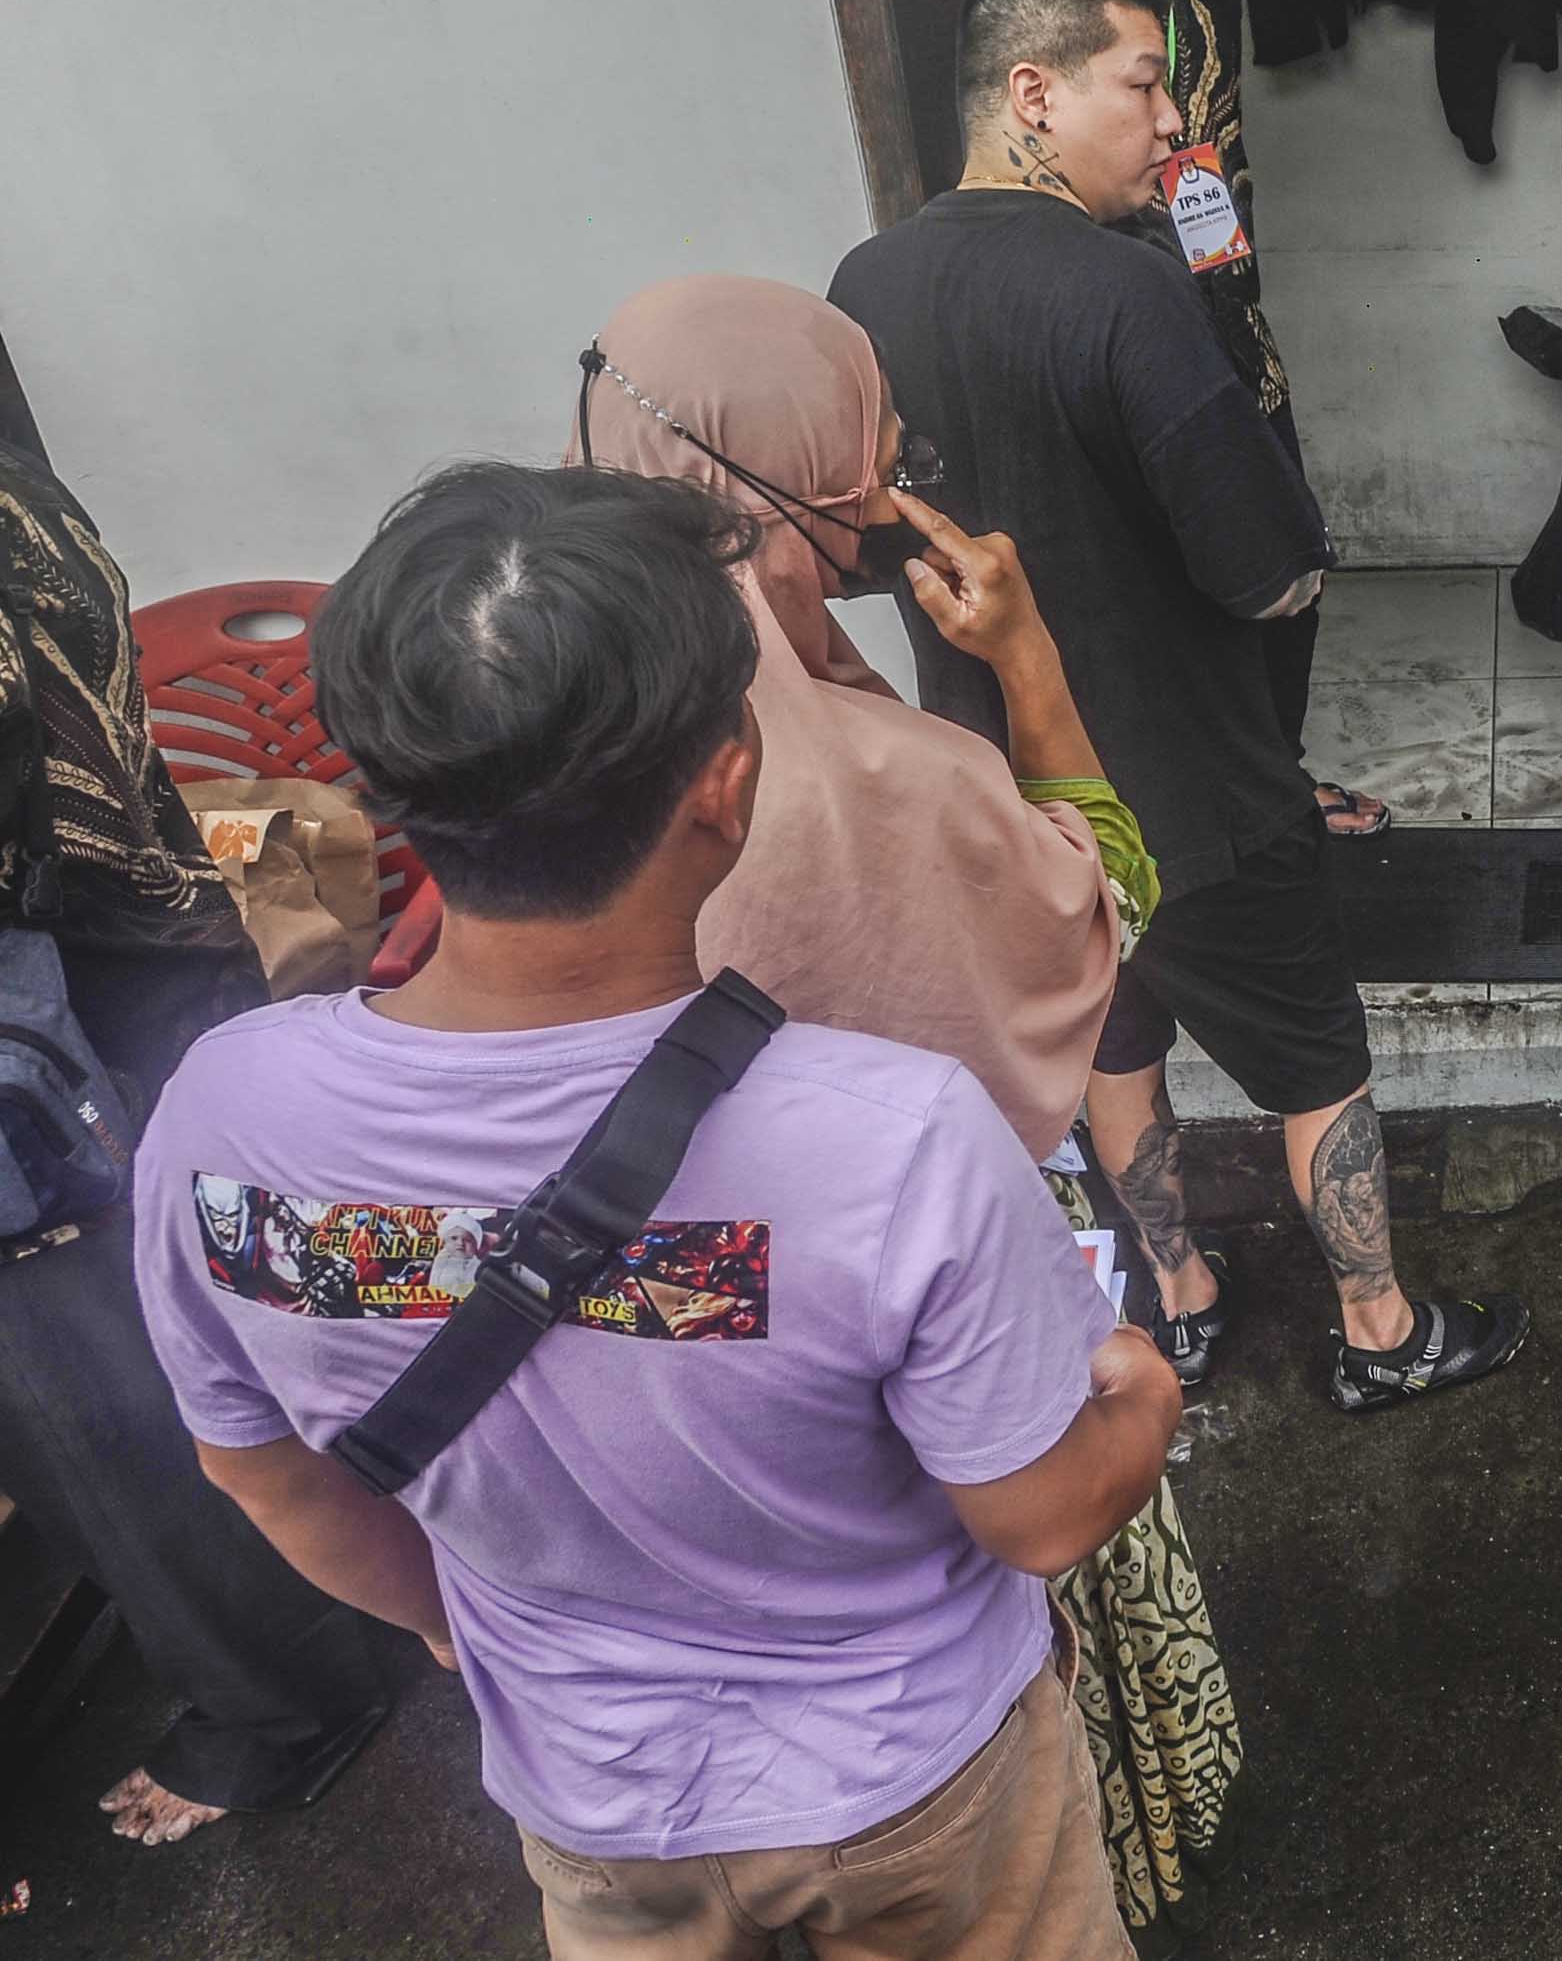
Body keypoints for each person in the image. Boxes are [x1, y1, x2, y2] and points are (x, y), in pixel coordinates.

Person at [129, 462, 1177, 1961]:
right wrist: (1138, 1392)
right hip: (915, 1792)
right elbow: (1042, 1509)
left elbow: (267, 1476)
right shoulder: (888, 1136)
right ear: (726, 773)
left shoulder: (218, 1116)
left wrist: (482, 1623)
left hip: (590, 1806)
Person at [572, 276, 1240, 1930]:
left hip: (650, 1459)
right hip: (924, 1520)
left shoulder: (544, 730)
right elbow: (1107, 897)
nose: (877, 497)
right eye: (859, 463)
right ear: (793, 478)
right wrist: (1026, 662)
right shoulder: (880, 777)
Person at [829, 0, 1529, 1414]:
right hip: (1193, 788)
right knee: (1310, 1050)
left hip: (1008, 794)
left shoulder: (864, 285)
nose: (1169, 124)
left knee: (1108, 1027)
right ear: (1033, 93)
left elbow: (861, 538)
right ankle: (1379, 1328)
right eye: (1142, 86)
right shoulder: (1123, 289)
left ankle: (1181, 1297)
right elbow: (1265, 567)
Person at [0, 438, 395, 1848]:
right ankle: (373, 1574)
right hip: (161, 918)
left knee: (97, 1379)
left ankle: (292, 1696)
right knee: (247, 1289)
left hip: (68, 997)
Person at [1021, 0, 1383, 843]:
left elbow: (1212, 157)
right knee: (1151, 591)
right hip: (1104, 343)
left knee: (1283, 548)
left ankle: (1270, 784)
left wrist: (1232, 302)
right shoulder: (1026, 2)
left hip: (1225, 317)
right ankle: (1181, 814)